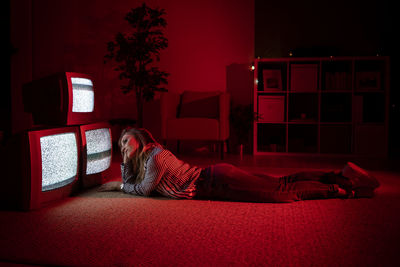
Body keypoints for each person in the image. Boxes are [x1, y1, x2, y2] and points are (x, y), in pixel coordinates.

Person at [98, 128, 380, 202]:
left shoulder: (156, 156)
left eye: (125, 142)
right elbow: (136, 181)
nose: (122, 147)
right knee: (280, 183)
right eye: (121, 144)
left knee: (281, 192)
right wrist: (125, 168)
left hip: (214, 181)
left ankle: (345, 189)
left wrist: (122, 186)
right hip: (215, 179)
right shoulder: (148, 158)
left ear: (140, 139)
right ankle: (340, 177)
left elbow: (144, 190)